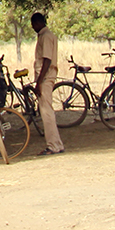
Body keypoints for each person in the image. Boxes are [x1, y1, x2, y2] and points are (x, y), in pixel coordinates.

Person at [31, 12, 65, 155]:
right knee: (46, 110)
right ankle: (56, 143)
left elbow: (47, 60)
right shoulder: (47, 36)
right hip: (46, 77)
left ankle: (54, 145)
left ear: (38, 23)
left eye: (33, 25)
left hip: (45, 77)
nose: (33, 27)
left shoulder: (45, 37)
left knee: (46, 111)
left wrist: (39, 82)